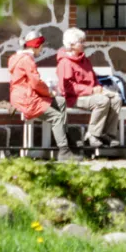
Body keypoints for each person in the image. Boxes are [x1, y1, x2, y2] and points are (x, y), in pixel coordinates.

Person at [8, 30, 75, 161]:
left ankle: (65, 139)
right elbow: (36, 83)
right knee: (56, 117)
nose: (42, 48)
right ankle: (64, 151)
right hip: (26, 99)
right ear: (36, 46)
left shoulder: (16, 58)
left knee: (60, 102)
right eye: (42, 45)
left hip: (22, 95)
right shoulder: (27, 60)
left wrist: (49, 94)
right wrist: (49, 92)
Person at [57, 27, 123, 147]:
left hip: (90, 95)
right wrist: (91, 90)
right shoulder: (65, 62)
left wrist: (100, 89)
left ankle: (106, 135)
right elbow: (66, 87)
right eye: (81, 42)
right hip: (72, 98)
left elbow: (93, 79)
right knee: (102, 101)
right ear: (71, 45)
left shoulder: (84, 60)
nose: (84, 44)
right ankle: (92, 135)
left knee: (116, 100)